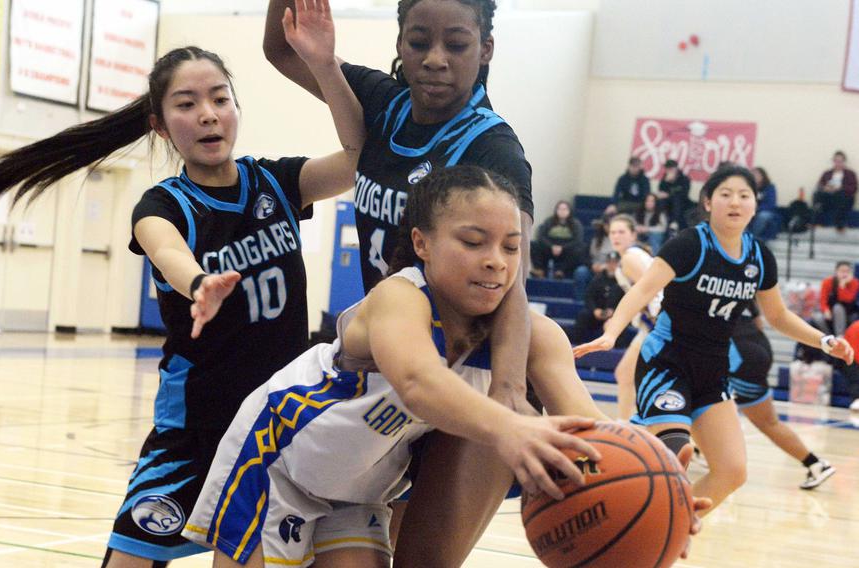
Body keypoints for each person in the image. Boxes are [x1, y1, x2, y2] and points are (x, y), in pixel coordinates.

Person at [0, 41, 365, 566]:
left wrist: (322, 66)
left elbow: (361, 156)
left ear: (236, 108)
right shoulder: (163, 204)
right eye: (186, 104)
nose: (207, 115)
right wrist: (200, 284)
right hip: (193, 432)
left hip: (275, 428)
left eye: (219, 99)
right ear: (159, 125)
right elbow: (165, 247)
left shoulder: (279, 182)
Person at [181, 166, 610, 567]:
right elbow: (418, 381)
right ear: (422, 243)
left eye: (511, 246)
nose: (496, 260)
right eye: (474, 241)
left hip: (361, 491)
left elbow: (595, 433)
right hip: (279, 463)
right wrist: (511, 425)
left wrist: (660, 470)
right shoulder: (400, 297)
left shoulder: (536, 336)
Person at [263, 0, 543, 563]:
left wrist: (510, 391)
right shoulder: (382, 106)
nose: (435, 59)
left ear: (485, 51)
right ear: (399, 43)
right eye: (419, 42)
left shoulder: (494, 149)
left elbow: (513, 275)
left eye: (457, 45)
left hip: (465, 374)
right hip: (389, 374)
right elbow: (280, 47)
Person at [573, 165, 854, 516]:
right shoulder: (690, 244)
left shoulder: (759, 257)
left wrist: (825, 340)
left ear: (755, 205)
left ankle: (666, 531)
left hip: (713, 370)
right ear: (708, 201)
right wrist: (612, 332)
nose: (735, 201)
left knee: (732, 472)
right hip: (668, 362)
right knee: (672, 451)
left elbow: (779, 316)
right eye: (725, 194)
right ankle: (589, 463)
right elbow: (644, 288)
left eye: (744, 195)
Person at [725, 302, 836, 489]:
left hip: (737, 355)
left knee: (708, 405)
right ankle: (815, 464)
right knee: (769, 422)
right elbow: (759, 321)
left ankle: (709, 456)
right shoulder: (741, 281)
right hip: (758, 345)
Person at [607, 214, 662, 420]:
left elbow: (653, 290)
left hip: (660, 323)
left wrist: (623, 318)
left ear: (633, 234)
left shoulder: (630, 258)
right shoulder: (631, 256)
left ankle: (682, 432)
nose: (616, 236)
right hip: (650, 325)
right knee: (625, 374)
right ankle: (623, 426)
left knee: (662, 382)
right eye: (612, 232)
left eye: (621, 232)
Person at [571, 251, 624, 344]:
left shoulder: (622, 281)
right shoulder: (597, 279)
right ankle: (575, 343)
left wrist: (614, 311)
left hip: (615, 315)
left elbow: (626, 300)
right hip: (597, 313)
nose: (612, 265)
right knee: (583, 316)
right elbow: (589, 296)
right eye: (610, 262)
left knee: (621, 323)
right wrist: (595, 310)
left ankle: (617, 348)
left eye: (615, 263)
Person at [530, 200, 587, 279]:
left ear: (569, 211)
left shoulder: (575, 224)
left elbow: (578, 240)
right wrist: (552, 246)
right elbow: (541, 236)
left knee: (580, 249)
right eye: (560, 209)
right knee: (533, 244)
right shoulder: (549, 221)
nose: (562, 211)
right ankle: (539, 270)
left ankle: (561, 271)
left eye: (565, 209)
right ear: (556, 210)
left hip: (567, 249)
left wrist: (562, 248)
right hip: (550, 247)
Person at [813, 150, 857, 232]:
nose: (838, 163)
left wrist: (840, 188)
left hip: (843, 198)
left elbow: (853, 188)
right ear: (833, 161)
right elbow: (819, 185)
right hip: (829, 197)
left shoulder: (850, 174)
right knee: (817, 194)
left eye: (840, 161)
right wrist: (825, 188)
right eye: (836, 161)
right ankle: (817, 222)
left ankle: (839, 224)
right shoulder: (827, 173)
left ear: (844, 162)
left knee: (840, 194)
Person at [813, 261, 859, 337]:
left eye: (847, 271)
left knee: (838, 308)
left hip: (848, 311)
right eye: (842, 271)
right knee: (817, 317)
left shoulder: (855, 283)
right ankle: (828, 337)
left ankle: (840, 336)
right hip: (831, 310)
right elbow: (823, 299)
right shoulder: (827, 282)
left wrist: (842, 286)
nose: (845, 274)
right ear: (836, 272)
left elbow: (848, 299)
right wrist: (825, 310)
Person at [657, 159, 692, 231]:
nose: (669, 171)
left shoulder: (684, 179)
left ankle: (674, 222)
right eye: (667, 169)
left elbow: (684, 194)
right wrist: (667, 182)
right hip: (667, 202)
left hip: (682, 202)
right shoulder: (664, 179)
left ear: (676, 168)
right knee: (660, 201)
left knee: (676, 199)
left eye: (671, 168)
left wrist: (669, 194)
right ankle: (660, 220)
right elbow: (661, 192)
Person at [749, 167, 779, 241]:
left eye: (757, 174)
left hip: (765, 211)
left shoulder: (770, 188)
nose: (755, 176)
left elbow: (770, 204)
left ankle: (751, 237)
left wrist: (756, 209)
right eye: (753, 174)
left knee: (763, 216)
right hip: (750, 210)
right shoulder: (749, 188)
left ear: (763, 176)